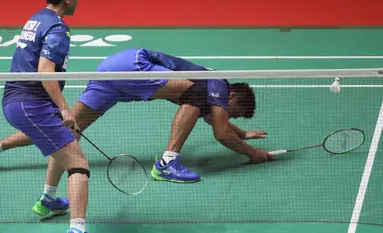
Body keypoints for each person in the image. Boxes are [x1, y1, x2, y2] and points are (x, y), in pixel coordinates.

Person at [1, 48, 273, 184]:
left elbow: (219, 122)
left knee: (65, 127)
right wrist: (251, 152)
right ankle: (168, 162)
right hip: (135, 66)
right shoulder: (216, 83)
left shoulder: (215, 92)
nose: (224, 115)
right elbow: (220, 131)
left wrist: (242, 132)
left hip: (112, 67)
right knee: (196, 93)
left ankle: (1, 145)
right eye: (230, 111)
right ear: (233, 96)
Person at [1, 0, 110, 233]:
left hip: (17, 100)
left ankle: (49, 199)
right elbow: (45, 72)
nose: (78, 1)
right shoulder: (58, 29)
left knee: (65, 144)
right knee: (79, 163)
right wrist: (64, 109)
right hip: (30, 103)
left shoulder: (37, 17)